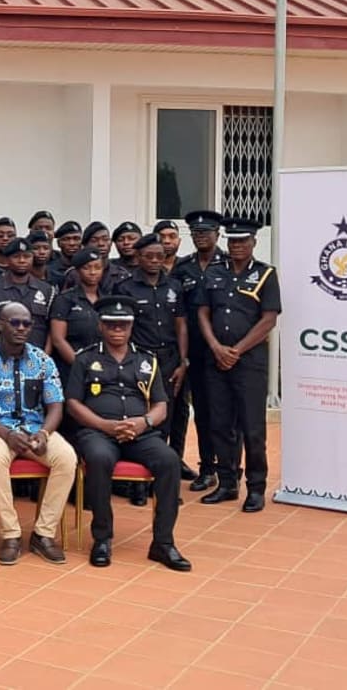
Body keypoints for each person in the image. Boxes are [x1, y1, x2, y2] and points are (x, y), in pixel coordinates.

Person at [64, 296, 192, 572]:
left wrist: (143, 423)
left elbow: (161, 405)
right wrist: (104, 425)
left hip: (141, 432)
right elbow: (73, 403)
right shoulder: (85, 359)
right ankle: (102, 538)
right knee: (98, 459)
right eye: (111, 325)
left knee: (169, 461)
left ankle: (163, 542)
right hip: (98, 431)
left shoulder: (147, 360)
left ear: (131, 326)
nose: (117, 330)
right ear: (101, 326)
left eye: (123, 324)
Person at [0, 302, 76, 565]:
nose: (22, 328)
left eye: (27, 323)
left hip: (35, 429)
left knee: (67, 459)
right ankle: (11, 534)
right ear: (0, 325)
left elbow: (55, 405)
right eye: (15, 322)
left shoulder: (42, 360)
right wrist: (6, 435)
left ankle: (43, 534)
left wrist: (44, 434)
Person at [199, 218, 281, 513]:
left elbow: (269, 319)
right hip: (216, 360)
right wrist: (216, 347)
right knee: (220, 425)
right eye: (232, 241)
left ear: (253, 243)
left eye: (242, 241)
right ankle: (227, 483)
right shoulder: (215, 273)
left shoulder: (265, 274)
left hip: (249, 363)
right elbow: (203, 313)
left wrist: (236, 350)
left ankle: (256, 487)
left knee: (252, 427)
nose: (237, 246)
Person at [116, 236, 188, 506]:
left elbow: (181, 325)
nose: (155, 261)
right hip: (140, 359)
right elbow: (122, 326)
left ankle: (162, 483)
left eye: (159, 256)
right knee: (137, 416)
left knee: (163, 420)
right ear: (139, 257)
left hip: (169, 359)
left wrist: (183, 361)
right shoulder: (126, 287)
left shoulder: (174, 286)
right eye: (150, 256)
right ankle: (137, 488)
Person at [172, 209, 228, 488]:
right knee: (203, 412)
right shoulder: (183, 268)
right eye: (195, 233)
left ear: (218, 235)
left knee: (228, 413)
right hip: (195, 350)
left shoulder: (230, 264)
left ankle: (230, 469)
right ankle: (208, 468)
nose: (200, 237)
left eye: (206, 232)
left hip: (224, 350)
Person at [0, 237, 56, 353]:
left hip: (37, 357)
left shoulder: (47, 290)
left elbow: (52, 329)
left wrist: (44, 356)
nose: (22, 260)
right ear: (7, 260)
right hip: (3, 356)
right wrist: (0, 352)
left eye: (26, 256)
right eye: (16, 257)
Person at [49, 248, 105, 382]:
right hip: (72, 369)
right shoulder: (65, 299)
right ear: (78, 271)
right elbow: (58, 339)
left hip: (104, 368)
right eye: (87, 268)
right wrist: (81, 367)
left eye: (97, 267)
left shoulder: (107, 299)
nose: (93, 272)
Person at [49, 221, 83, 289]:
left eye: (76, 239)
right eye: (66, 239)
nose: (72, 243)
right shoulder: (50, 270)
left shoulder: (88, 268)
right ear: (59, 243)